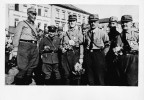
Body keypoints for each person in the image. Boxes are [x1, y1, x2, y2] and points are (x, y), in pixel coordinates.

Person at [12, 7, 39, 85]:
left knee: (32, 66)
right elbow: (16, 36)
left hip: (33, 46)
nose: (34, 16)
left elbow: (36, 37)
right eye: (32, 14)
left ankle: (26, 83)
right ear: (28, 14)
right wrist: (15, 49)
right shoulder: (22, 23)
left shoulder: (35, 26)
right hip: (24, 46)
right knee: (23, 67)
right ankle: (19, 84)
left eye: (35, 14)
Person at [85, 14, 110, 85]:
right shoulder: (87, 33)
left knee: (100, 76)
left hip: (98, 55)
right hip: (89, 55)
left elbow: (107, 45)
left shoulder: (102, 33)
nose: (92, 23)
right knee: (90, 77)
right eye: (91, 22)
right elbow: (85, 44)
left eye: (94, 22)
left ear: (98, 22)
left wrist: (103, 54)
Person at [60, 14, 84, 85]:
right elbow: (61, 44)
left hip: (74, 55)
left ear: (76, 22)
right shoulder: (65, 33)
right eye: (70, 21)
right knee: (66, 74)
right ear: (68, 22)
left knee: (75, 74)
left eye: (73, 21)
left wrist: (81, 57)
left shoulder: (79, 33)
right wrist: (62, 49)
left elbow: (81, 45)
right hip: (65, 56)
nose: (72, 22)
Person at [118, 15, 139, 86]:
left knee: (131, 82)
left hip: (134, 60)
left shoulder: (137, 34)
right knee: (123, 82)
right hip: (123, 60)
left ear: (131, 23)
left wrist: (137, 48)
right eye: (123, 22)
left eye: (126, 22)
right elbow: (117, 48)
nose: (124, 24)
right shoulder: (119, 36)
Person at [105, 16, 123, 85]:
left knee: (116, 76)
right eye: (111, 23)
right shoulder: (107, 35)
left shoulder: (119, 34)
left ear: (116, 24)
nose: (112, 25)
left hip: (115, 57)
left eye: (114, 24)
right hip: (108, 57)